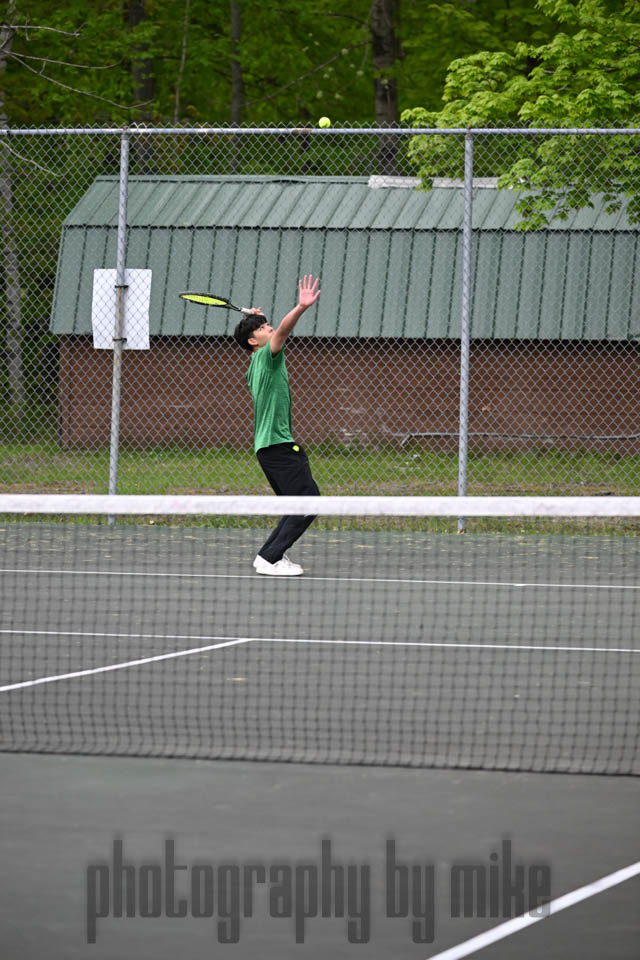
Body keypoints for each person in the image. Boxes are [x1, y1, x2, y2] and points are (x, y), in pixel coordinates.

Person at [233, 275, 321, 576]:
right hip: (278, 447)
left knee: (298, 504)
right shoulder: (267, 358)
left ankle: (269, 556)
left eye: (267, 325)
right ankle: (270, 558)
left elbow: (270, 330)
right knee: (308, 503)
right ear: (252, 342)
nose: (269, 329)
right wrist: (301, 307)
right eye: (262, 329)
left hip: (269, 448)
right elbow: (283, 330)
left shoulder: (254, 364)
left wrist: (255, 319)